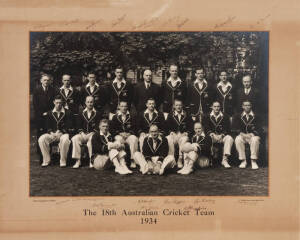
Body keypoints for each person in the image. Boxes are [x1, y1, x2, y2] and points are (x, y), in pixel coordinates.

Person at [38, 95, 72, 167]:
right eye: (57, 103)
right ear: (54, 102)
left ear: (62, 102)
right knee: (42, 139)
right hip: (52, 134)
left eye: (60, 102)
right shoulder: (50, 113)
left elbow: (69, 125)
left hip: (63, 134)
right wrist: (51, 132)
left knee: (65, 139)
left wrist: (61, 132)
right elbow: (47, 126)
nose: (58, 104)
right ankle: (46, 160)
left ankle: (63, 160)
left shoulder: (68, 112)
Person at [71, 96, 102, 168]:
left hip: (93, 134)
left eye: (91, 102)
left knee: (91, 140)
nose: (90, 104)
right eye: (88, 102)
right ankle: (78, 160)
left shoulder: (97, 113)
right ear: (85, 103)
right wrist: (82, 133)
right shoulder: (81, 113)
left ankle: (92, 160)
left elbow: (98, 126)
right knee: (75, 138)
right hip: (83, 134)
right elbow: (78, 126)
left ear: (94, 103)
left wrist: (91, 133)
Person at [202, 101, 234, 168]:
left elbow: (227, 128)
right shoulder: (207, 116)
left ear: (220, 107)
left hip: (221, 137)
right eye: (215, 106)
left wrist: (222, 134)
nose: (216, 108)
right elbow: (206, 127)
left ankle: (225, 160)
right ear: (212, 107)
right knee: (207, 138)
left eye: (218, 106)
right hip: (212, 137)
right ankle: (210, 159)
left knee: (229, 138)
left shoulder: (225, 116)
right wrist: (211, 133)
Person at [232, 100, 262, 169]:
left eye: (249, 105)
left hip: (253, 136)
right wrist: (242, 133)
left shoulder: (256, 116)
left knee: (255, 140)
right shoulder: (237, 116)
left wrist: (252, 134)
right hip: (242, 136)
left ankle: (253, 160)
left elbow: (260, 129)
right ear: (242, 107)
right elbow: (234, 128)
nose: (247, 107)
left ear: (251, 106)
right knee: (238, 139)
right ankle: (243, 160)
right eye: (245, 105)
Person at [165, 99, 193, 168]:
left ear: (182, 106)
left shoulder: (187, 114)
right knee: (168, 138)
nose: (178, 107)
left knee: (184, 139)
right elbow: (167, 127)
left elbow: (191, 127)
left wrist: (186, 133)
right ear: (174, 106)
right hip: (174, 135)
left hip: (183, 136)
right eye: (177, 105)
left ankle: (180, 159)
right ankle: (171, 159)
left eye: (180, 105)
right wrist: (172, 133)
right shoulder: (171, 115)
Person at [110, 101, 138, 168]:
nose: (124, 108)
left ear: (127, 107)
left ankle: (132, 160)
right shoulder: (115, 117)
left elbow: (135, 127)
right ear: (119, 107)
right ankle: (122, 160)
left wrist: (129, 133)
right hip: (119, 135)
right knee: (118, 139)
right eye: (122, 106)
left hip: (129, 135)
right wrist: (120, 133)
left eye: (125, 106)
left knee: (133, 139)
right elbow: (112, 129)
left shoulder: (132, 116)